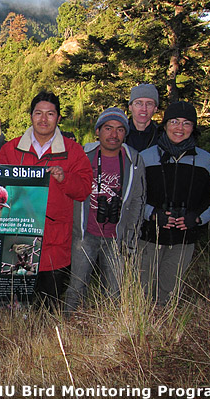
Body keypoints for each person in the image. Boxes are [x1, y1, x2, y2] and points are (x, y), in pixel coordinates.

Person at [0, 91, 93, 309]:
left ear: (59, 118)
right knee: (16, 307)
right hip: (17, 241)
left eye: (50, 114)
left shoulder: (73, 151)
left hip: (55, 245)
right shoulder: (11, 149)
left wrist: (63, 178)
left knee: (49, 307)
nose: (43, 119)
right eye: (38, 113)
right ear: (31, 116)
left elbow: (84, 190)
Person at [139, 101, 210, 306]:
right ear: (165, 124)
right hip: (149, 237)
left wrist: (197, 218)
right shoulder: (145, 157)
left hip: (184, 240)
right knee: (141, 290)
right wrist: (150, 214)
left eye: (186, 123)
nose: (179, 128)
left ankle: (163, 333)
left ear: (193, 128)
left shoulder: (205, 161)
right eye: (174, 122)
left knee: (167, 292)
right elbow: (133, 196)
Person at [64, 108, 146, 313]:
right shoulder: (83, 156)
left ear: (125, 134)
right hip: (85, 233)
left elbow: (138, 199)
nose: (113, 134)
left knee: (115, 290)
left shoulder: (134, 161)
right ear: (98, 131)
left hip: (116, 236)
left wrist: (131, 234)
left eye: (119, 130)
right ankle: (67, 327)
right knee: (76, 286)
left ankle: (111, 331)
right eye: (108, 128)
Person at [126, 83, 161, 152]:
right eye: (138, 103)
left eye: (149, 104)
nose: (144, 109)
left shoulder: (162, 136)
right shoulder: (119, 133)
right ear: (130, 107)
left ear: (155, 109)